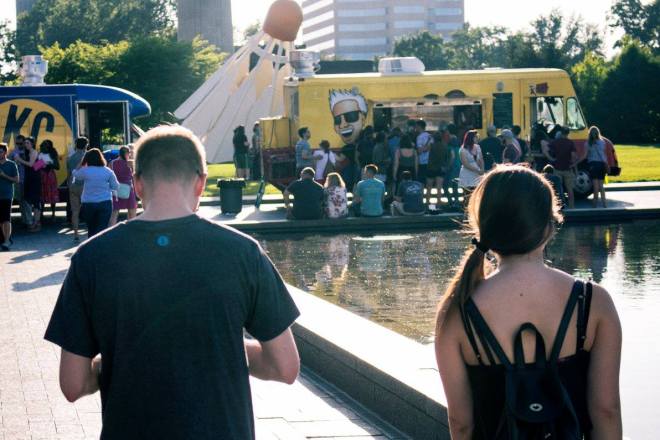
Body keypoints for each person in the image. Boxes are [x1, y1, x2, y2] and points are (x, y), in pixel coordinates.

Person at [44, 125, 300, 440]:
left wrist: (112, 361)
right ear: (201, 182)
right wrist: (228, 349)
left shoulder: (91, 257)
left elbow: (73, 384)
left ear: (137, 183)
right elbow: (285, 367)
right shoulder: (243, 252)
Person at [434, 166, 622, 439]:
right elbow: (606, 410)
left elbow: (461, 422)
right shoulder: (593, 302)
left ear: (485, 227)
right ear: (549, 226)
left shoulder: (458, 310)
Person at [72, 148, 119, 238]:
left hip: (88, 203)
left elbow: (75, 174)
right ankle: (100, 245)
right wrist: (106, 188)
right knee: (102, 229)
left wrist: (81, 164)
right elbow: (115, 186)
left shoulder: (85, 171)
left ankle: (91, 244)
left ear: (88, 159)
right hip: (105, 202)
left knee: (91, 228)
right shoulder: (108, 171)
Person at [13, 137, 42, 231]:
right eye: (25, 143)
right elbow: (37, 165)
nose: (25, 145)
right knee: (27, 199)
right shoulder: (26, 153)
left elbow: (31, 164)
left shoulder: (34, 152)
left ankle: (37, 223)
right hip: (28, 178)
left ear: (32, 144)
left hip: (34, 179)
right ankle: (32, 221)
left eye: (27, 143)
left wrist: (19, 159)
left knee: (36, 201)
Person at [548, 126, 577, 209]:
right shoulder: (570, 143)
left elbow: (546, 149)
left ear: (561, 133)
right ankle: (572, 207)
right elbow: (573, 156)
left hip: (557, 167)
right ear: (568, 133)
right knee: (570, 189)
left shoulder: (555, 142)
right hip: (567, 168)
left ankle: (559, 207)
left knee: (558, 189)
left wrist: (551, 158)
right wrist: (573, 164)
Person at [8, 135, 33, 227]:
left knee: (27, 201)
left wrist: (20, 160)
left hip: (28, 180)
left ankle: (30, 221)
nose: (18, 145)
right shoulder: (14, 152)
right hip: (18, 181)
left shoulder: (30, 151)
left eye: (20, 143)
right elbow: (8, 162)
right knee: (21, 201)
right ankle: (25, 220)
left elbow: (36, 164)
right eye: (17, 143)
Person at [109, 145, 138, 226]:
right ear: (127, 153)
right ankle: (131, 229)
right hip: (128, 189)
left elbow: (109, 177)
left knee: (114, 212)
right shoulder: (130, 163)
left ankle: (111, 231)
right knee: (132, 211)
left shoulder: (112, 163)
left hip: (116, 189)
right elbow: (134, 176)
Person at [67, 137, 88, 241]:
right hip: (85, 185)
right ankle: (89, 232)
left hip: (73, 185)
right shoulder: (87, 157)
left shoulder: (70, 158)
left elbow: (68, 173)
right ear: (86, 145)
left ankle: (76, 234)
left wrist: (69, 184)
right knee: (88, 209)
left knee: (75, 211)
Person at [0, 143, 19, 250]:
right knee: (1, 220)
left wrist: (4, 175)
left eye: (0, 152)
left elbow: (16, 180)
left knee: (6, 219)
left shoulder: (11, 164)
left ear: (5, 153)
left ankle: (7, 241)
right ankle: (5, 239)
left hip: (7, 195)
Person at [427, 130, 454, 206]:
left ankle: (428, 203)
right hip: (441, 168)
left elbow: (426, 150)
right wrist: (447, 166)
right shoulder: (445, 146)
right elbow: (450, 157)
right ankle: (438, 203)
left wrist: (429, 140)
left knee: (429, 186)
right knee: (439, 186)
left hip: (431, 168)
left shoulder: (432, 145)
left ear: (434, 138)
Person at [586, 126, 609, 208]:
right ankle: (604, 204)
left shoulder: (588, 143)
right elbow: (603, 155)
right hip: (601, 165)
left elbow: (586, 155)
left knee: (595, 186)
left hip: (593, 165)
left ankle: (594, 204)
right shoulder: (602, 142)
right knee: (601, 186)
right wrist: (606, 165)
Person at [38, 139, 60, 220]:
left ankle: (53, 213)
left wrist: (49, 164)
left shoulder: (52, 155)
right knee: (42, 194)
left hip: (50, 176)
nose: (42, 148)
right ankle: (41, 214)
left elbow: (57, 167)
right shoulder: (39, 154)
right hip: (42, 176)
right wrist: (41, 163)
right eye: (42, 146)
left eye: (44, 146)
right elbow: (35, 167)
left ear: (49, 147)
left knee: (52, 194)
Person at [443, 124, 462, 209]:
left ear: (449, 131)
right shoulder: (458, 140)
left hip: (452, 167)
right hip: (458, 165)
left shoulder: (451, 141)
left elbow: (452, 155)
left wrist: (447, 166)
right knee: (455, 186)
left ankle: (451, 202)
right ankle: (456, 203)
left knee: (445, 185)